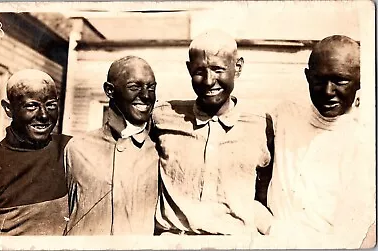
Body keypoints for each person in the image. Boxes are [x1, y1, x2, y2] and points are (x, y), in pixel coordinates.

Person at [257, 35, 375, 248]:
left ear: (360, 80)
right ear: (307, 77)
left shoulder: (365, 143)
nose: (328, 92)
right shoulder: (285, 116)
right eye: (319, 81)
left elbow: (348, 238)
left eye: (340, 81)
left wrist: (270, 227)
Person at [152, 30, 273, 235]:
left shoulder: (260, 124)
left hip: (236, 243)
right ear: (189, 69)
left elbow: (265, 193)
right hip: (174, 242)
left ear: (238, 67)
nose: (209, 81)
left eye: (218, 69)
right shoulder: (163, 117)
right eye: (200, 71)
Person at [64, 56, 159, 235]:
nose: (146, 95)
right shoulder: (77, 148)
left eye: (151, 88)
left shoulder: (159, 151)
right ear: (109, 90)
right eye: (134, 87)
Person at [0, 69, 72, 235]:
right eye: (32, 106)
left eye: (51, 105)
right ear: (8, 108)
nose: (43, 115)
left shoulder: (70, 149)